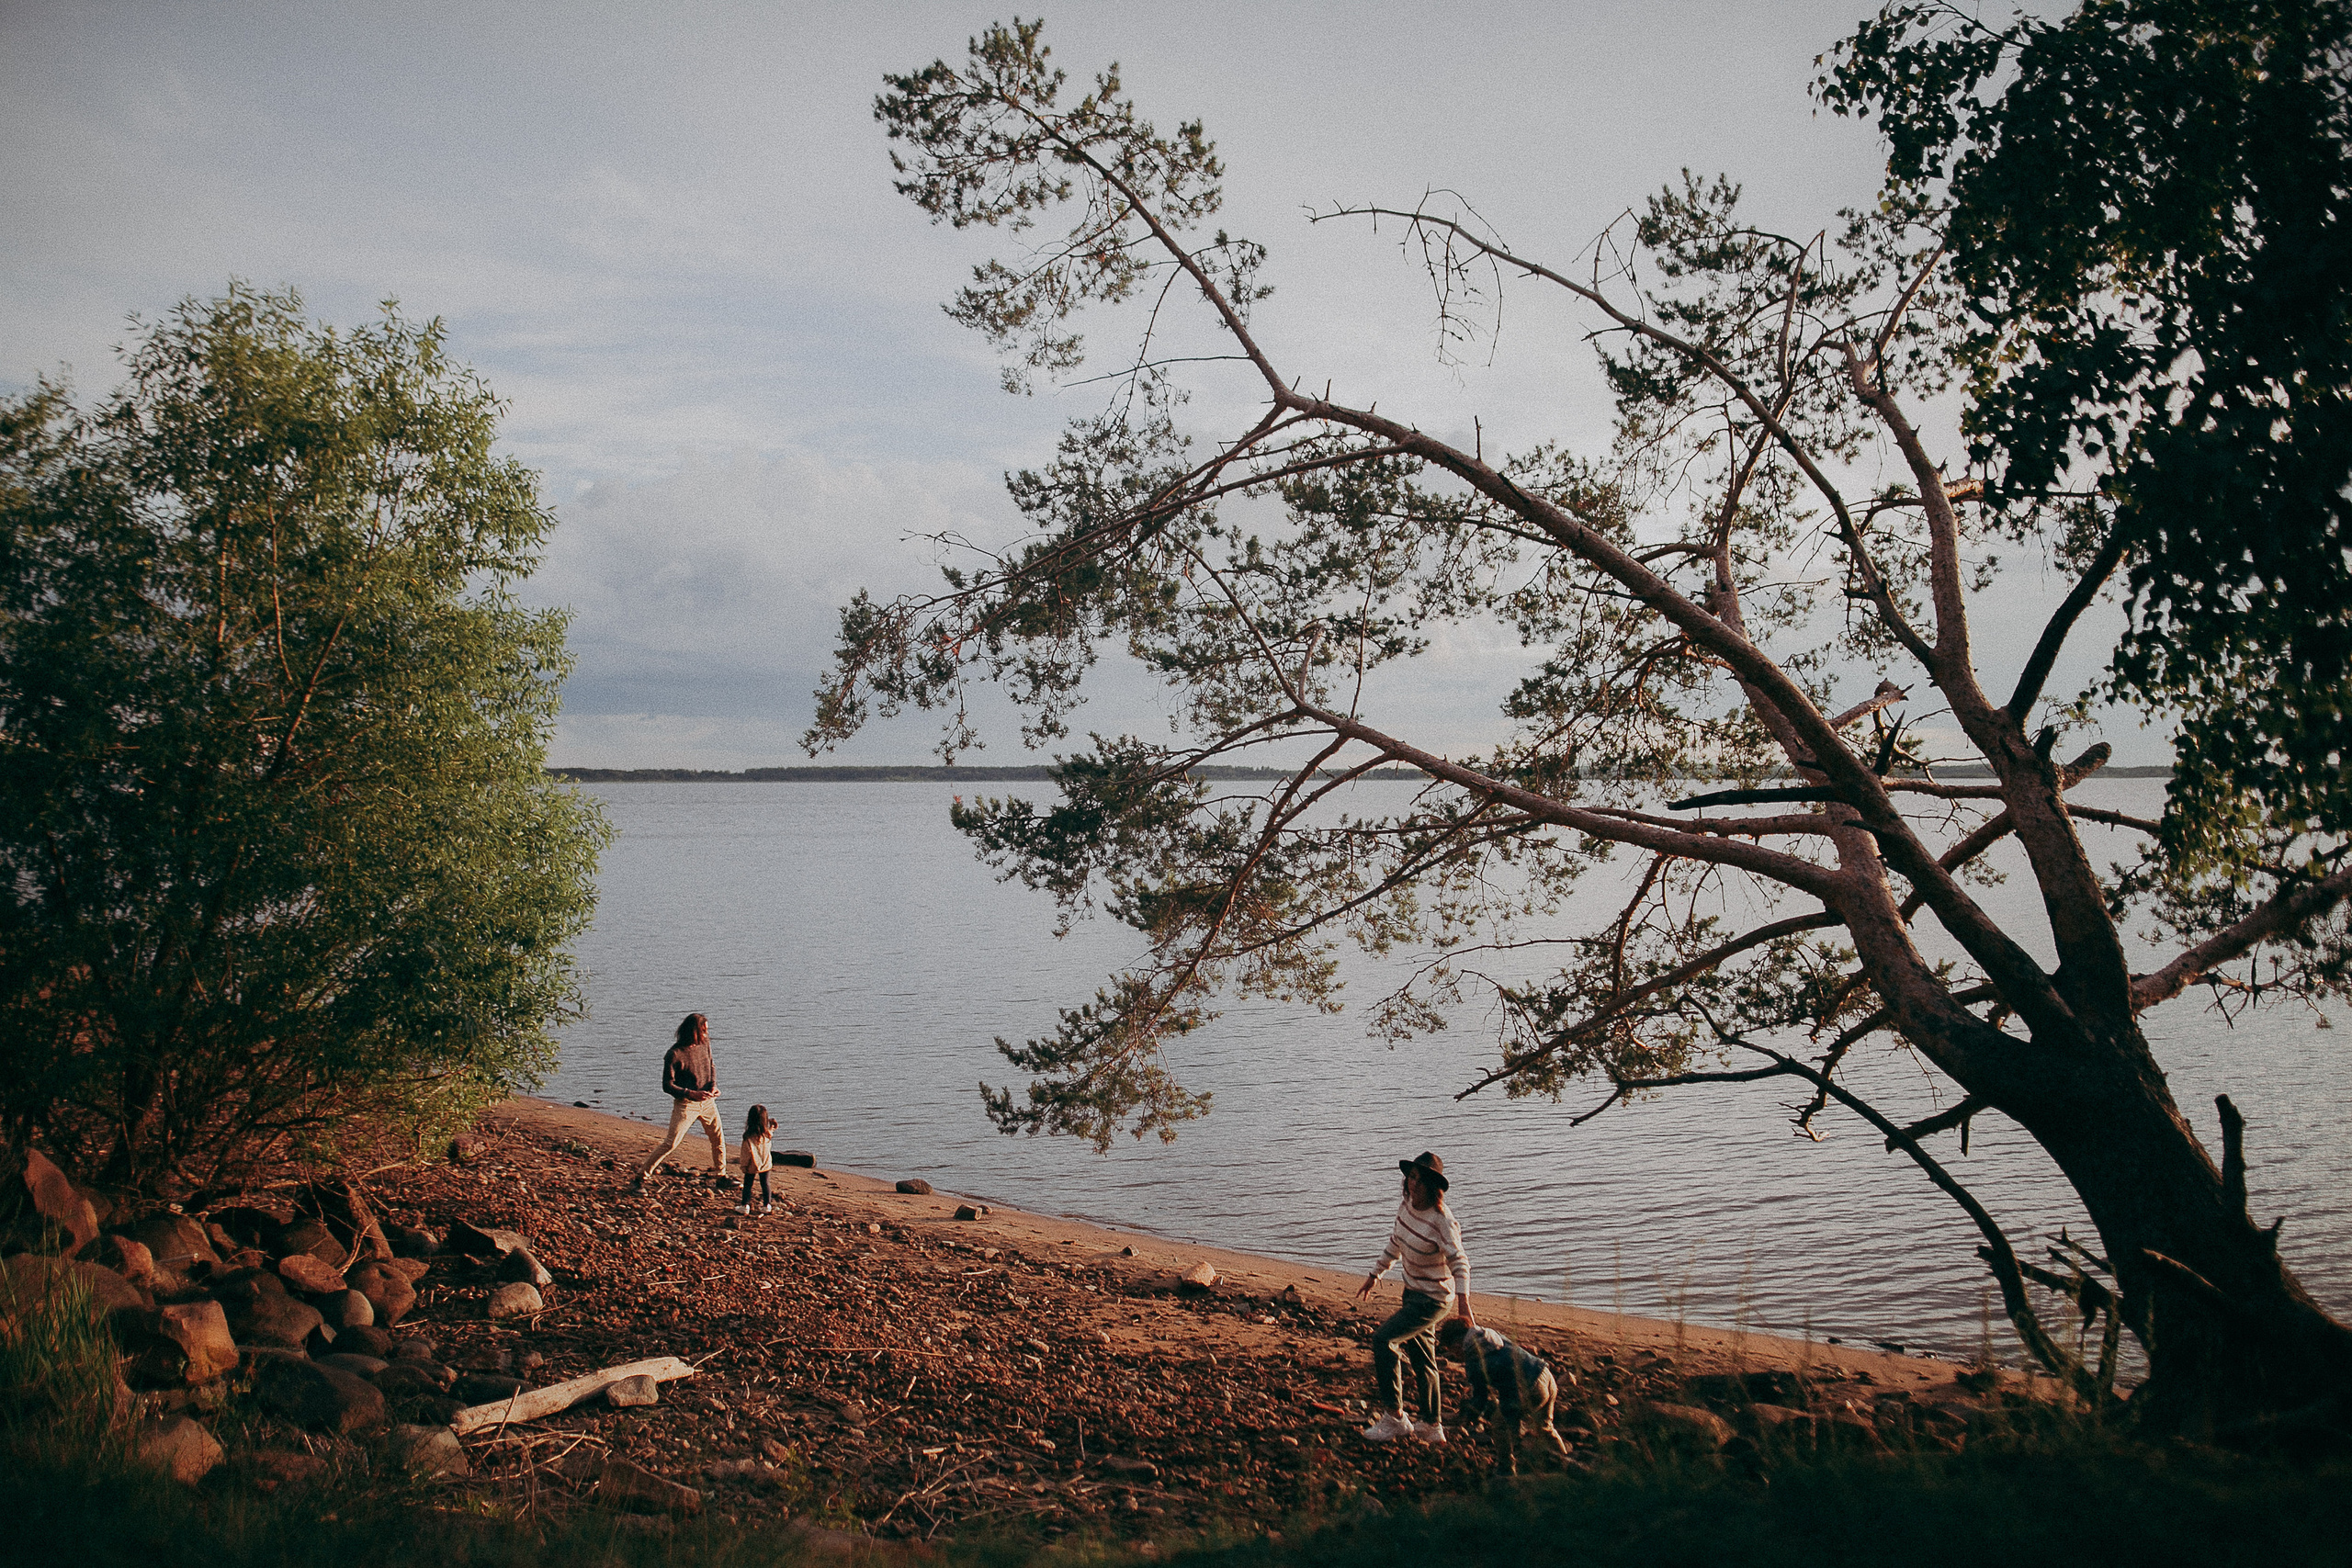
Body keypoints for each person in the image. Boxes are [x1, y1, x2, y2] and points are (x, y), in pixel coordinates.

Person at [1353, 1150, 1473, 1444]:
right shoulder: (1406, 1206)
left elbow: (1460, 1262)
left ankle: (1395, 1418)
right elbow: (1396, 1242)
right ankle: (1432, 1426)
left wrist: (1464, 1304)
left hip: (1434, 1299)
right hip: (1411, 1292)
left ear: (1433, 1186)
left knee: (1384, 1340)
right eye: (1411, 1177)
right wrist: (1375, 1274)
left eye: (1420, 1179)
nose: (1413, 1183)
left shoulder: (1442, 1221)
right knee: (1423, 1358)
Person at [1438, 1317, 1571, 1473]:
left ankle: (1505, 1468)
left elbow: (1480, 1398)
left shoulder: (1473, 1358)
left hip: (1529, 1388)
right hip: (1546, 1375)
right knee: (1545, 1426)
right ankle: (1566, 1462)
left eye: (1452, 1351)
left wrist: (1467, 1421)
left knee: (1500, 1424)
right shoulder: (1488, 1334)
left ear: (1457, 1346)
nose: (1455, 1356)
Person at [635, 1012, 727, 1189]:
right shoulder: (674, 1054)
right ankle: (641, 1176)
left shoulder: (705, 1044)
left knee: (718, 1140)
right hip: (686, 1105)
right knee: (671, 1143)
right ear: (694, 1031)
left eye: (707, 1031)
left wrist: (713, 1086)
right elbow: (667, 1086)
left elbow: (711, 1065)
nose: (706, 1035)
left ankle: (721, 1175)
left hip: (707, 1102)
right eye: (703, 1031)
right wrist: (691, 1094)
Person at [737, 1103, 778, 1214]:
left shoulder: (748, 1137)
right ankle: (767, 1205)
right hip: (766, 1163)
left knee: (748, 1185)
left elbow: (746, 1154)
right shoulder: (766, 1134)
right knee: (765, 1184)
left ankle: (745, 1205)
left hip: (752, 1164)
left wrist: (744, 1166)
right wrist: (772, 1127)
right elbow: (771, 1132)